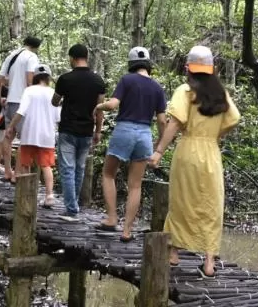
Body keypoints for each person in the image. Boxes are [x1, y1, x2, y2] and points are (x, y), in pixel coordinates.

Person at [149, 45, 240, 278]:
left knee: (181, 200)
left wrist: (159, 151)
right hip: (211, 152)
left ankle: (173, 253)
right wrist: (213, 136)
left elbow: (175, 123)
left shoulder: (185, 91)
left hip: (188, 150)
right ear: (213, 69)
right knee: (211, 203)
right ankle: (209, 262)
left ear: (188, 68)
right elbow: (233, 120)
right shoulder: (222, 94)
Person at [93, 46, 167, 242]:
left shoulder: (127, 80)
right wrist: (160, 144)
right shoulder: (157, 88)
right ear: (148, 65)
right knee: (135, 185)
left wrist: (97, 106)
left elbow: (112, 105)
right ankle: (126, 231)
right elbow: (161, 120)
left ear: (131, 64)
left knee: (108, 174)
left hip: (124, 130)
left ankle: (111, 218)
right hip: (144, 134)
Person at [53, 44, 107, 221]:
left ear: (72, 58)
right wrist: (98, 131)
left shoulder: (65, 79)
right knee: (79, 169)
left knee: (68, 169)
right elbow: (100, 110)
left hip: (68, 129)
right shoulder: (98, 81)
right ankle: (73, 204)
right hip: (87, 130)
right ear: (87, 57)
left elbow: (55, 101)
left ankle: (71, 209)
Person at [6, 64, 59, 208]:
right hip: (47, 135)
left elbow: (21, 111)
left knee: (25, 164)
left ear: (35, 77)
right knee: (46, 165)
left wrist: (11, 126)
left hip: (30, 133)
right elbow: (58, 117)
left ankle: (27, 194)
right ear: (48, 78)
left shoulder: (29, 90)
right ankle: (49, 196)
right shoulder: (54, 93)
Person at [0, 36, 41, 182]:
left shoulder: (12, 55)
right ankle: (18, 174)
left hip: (10, 102)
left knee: (8, 137)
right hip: (23, 104)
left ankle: (8, 171)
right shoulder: (32, 57)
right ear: (36, 47)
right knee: (25, 139)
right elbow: (30, 80)